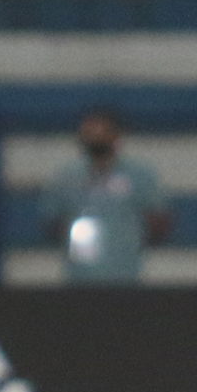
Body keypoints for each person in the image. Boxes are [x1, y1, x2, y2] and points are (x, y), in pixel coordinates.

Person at [38, 108, 172, 284]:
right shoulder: (66, 177)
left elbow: (158, 218)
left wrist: (127, 242)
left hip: (126, 276)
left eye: (101, 130)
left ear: (115, 134)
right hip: (79, 278)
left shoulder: (138, 175)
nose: (95, 136)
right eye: (89, 131)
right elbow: (52, 220)